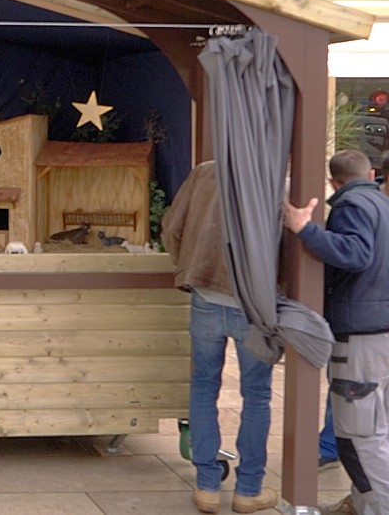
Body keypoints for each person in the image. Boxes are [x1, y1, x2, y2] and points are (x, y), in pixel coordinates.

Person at [163, 161, 279, 514]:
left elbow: (172, 226)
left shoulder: (204, 172)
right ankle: (248, 489)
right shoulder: (273, 175)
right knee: (256, 395)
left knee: (203, 387)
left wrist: (187, 264)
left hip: (206, 297)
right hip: (255, 305)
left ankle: (207, 487)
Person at [284, 150, 389, 515]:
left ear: (333, 182)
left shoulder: (351, 205)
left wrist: (305, 230)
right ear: (371, 172)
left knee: (359, 438)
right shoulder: (382, 204)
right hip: (381, 335)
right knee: (376, 432)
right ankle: (361, 504)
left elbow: (356, 254)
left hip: (360, 337)